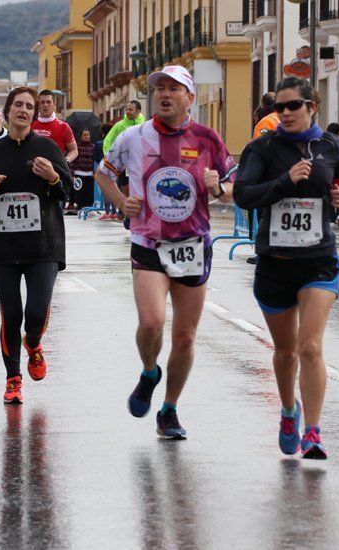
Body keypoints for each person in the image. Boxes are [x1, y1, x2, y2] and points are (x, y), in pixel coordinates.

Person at [95, 66, 235, 439]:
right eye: (160, 88)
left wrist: (219, 188)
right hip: (149, 243)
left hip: (193, 245)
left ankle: (169, 410)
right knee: (152, 323)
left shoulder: (207, 138)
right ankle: (149, 371)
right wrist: (122, 201)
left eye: (174, 88)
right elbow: (102, 174)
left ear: (190, 97)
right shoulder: (134, 137)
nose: (165, 94)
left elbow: (237, 185)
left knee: (185, 336)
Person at [233, 77, 339, 459]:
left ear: (312, 106)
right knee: (285, 351)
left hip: (318, 261)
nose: (284, 113)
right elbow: (244, 195)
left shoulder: (331, 146)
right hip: (275, 263)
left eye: (293, 106)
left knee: (310, 346)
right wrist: (285, 181)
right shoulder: (262, 148)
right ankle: (289, 411)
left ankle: (314, 431)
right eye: (279, 107)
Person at [0, 87, 72, 404]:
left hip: (44, 247)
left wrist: (53, 177)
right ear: (8, 111)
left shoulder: (48, 147)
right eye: (19, 105)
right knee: (11, 314)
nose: (24, 110)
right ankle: (13, 379)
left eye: (29, 106)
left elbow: (66, 192)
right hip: (4, 248)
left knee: (35, 313)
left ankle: (35, 344)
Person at [102, 101, 146, 222]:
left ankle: (138, 214)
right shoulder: (120, 125)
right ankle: (125, 214)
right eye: (126, 109)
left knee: (139, 188)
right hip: (124, 163)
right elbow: (107, 141)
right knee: (125, 188)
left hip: (140, 164)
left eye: (131, 110)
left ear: (138, 111)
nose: (127, 112)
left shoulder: (145, 125)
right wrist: (108, 156)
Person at [32, 90, 78, 163]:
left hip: (55, 171)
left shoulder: (64, 126)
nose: (45, 105)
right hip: (32, 170)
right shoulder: (30, 125)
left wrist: (65, 161)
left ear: (54, 104)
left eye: (48, 102)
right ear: (38, 105)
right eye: (42, 102)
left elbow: (74, 150)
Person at [68, 129, 95, 211]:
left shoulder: (93, 147)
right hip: (79, 173)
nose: (87, 136)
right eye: (85, 135)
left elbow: (95, 160)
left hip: (90, 174)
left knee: (90, 193)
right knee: (80, 193)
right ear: (81, 136)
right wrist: (72, 174)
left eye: (88, 134)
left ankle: (89, 208)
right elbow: (73, 162)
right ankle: (80, 208)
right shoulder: (77, 147)